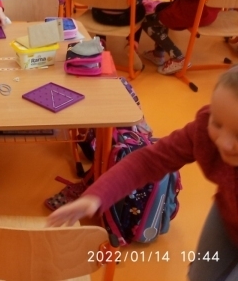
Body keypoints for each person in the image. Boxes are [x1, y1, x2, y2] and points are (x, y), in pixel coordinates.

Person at [47, 67, 238, 281]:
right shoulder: (205, 128)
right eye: (217, 123)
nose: (223, 142)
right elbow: (148, 161)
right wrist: (97, 195)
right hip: (227, 211)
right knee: (200, 276)